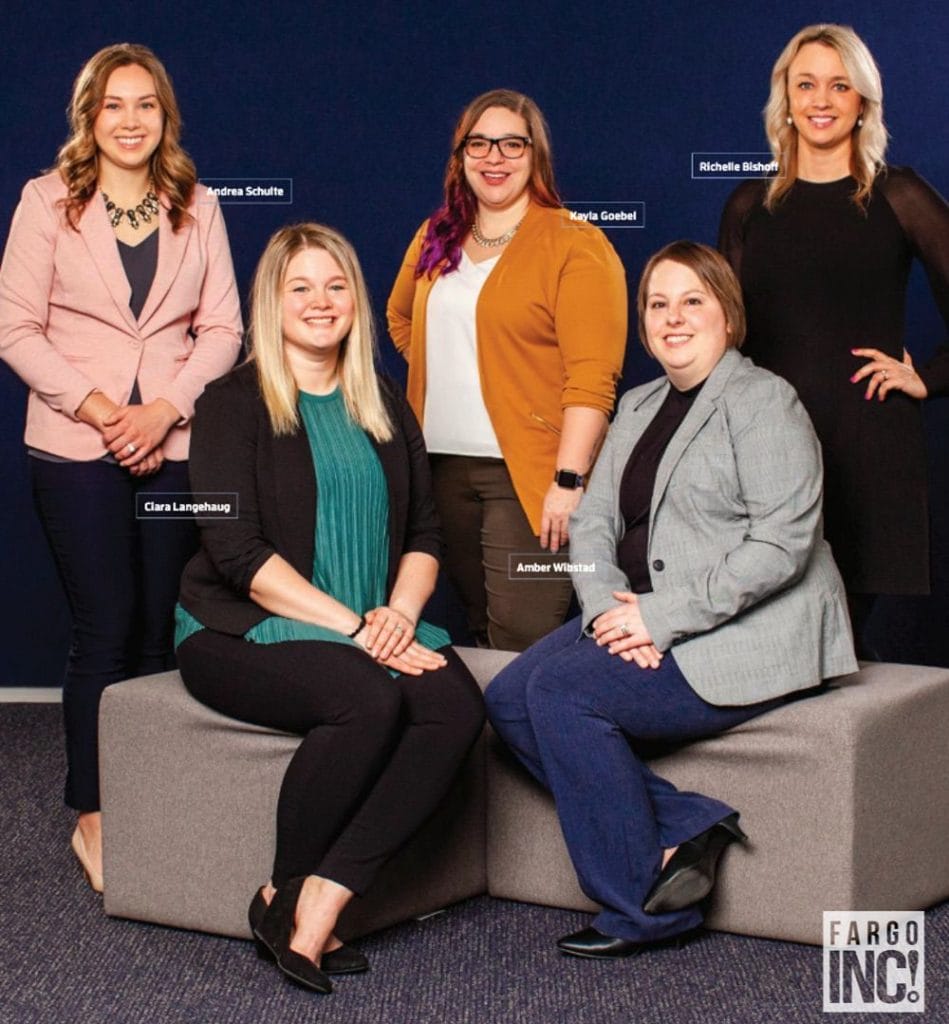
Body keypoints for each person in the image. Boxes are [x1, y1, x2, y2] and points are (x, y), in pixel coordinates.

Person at [484, 241, 857, 959]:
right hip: (636, 608)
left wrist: (657, 617)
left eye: (692, 301)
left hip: (753, 627)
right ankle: (684, 820)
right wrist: (604, 610)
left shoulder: (762, 401)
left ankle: (643, 909)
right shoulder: (639, 403)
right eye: (657, 303)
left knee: (562, 695)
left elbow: (782, 544)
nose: (672, 317)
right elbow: (591, 522)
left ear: (726, 314)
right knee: (505, 701)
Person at [175, 223, 485, 994]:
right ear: (271, 303)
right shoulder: (228, 404)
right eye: (300, 287)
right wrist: (358, 631)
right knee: (367, 698)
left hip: (371, 621)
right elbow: (237, 555)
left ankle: (318, 897)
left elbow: (423, 533)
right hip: (240, 629)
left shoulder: (380, 400)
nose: (321, 302)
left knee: (454, 706)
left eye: (336, 285)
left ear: (357, 299)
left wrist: (397, 619)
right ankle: (284, 887)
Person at [0, 43, 242, 892]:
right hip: (75, 450)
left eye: (145, 105)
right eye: (113, 106)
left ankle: (157, 800)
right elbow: (15, 328)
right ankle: (96, 816)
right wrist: (106, 413)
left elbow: (222, 330)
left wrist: (163, 410)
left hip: (173, 448)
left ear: (163, 118)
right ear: (89, 118)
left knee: (160, 632)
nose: (130, 121)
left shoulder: (197, 205)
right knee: (103, 631)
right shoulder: (47, 202)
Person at [718, 23, 949, 657]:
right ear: (785, 100)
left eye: (839, 85)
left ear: (862, 102)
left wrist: (929, 375)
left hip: (867, 449)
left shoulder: (898, 196)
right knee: (773, 638)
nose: (821, 100)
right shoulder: (748, 205)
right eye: (806, 84)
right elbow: (722, 341)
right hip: (765, 452)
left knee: (830, 640)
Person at [387, 88, 627, 652]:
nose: (494, 157)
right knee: (475, 627)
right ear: (461, 156)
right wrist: (451, 369)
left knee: (523, 638)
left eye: (511, 144)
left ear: (535, 155)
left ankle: (528, 739)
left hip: (530, 481)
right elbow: (402, 319)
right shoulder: (435, 235)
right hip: (441, 470)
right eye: (479, 143)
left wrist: (568, 481)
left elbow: (592, 377)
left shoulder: (575, 244)